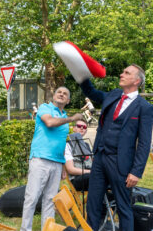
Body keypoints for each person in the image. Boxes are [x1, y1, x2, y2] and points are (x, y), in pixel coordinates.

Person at [80, 64, 153, 231]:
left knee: (123, 207)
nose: (121, 74)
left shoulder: (145, 108)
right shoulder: (113, 95)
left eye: (126, 72)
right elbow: (91, 92)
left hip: (121, 163)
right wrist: (82, 76)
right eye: (123, 71)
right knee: (93, 203)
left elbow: (144, 142)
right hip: (100, 158)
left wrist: (136, 171)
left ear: (136, 81)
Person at [20, 87, 83, 231]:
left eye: (65, 94)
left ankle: (47, 228)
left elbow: (61, 143)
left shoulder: (64, 117)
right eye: (59, 92)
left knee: (50, 200)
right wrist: (73, 118)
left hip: (56, 163)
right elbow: (49, 122)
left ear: (68, 101)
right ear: (53, 96)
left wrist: (62, 166)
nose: (61, 94)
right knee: (32, 197)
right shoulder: (45, 108)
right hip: (40, 159)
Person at [64, 119, 92, 191]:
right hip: (76, 178)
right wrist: (91, 172)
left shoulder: (87, 145)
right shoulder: (67, 145)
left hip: (89, 175)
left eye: (84, 127)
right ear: (74, 128)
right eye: (79, 126)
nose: (82, 128)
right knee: (97, 177)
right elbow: (71, 170)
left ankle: (109, 199)